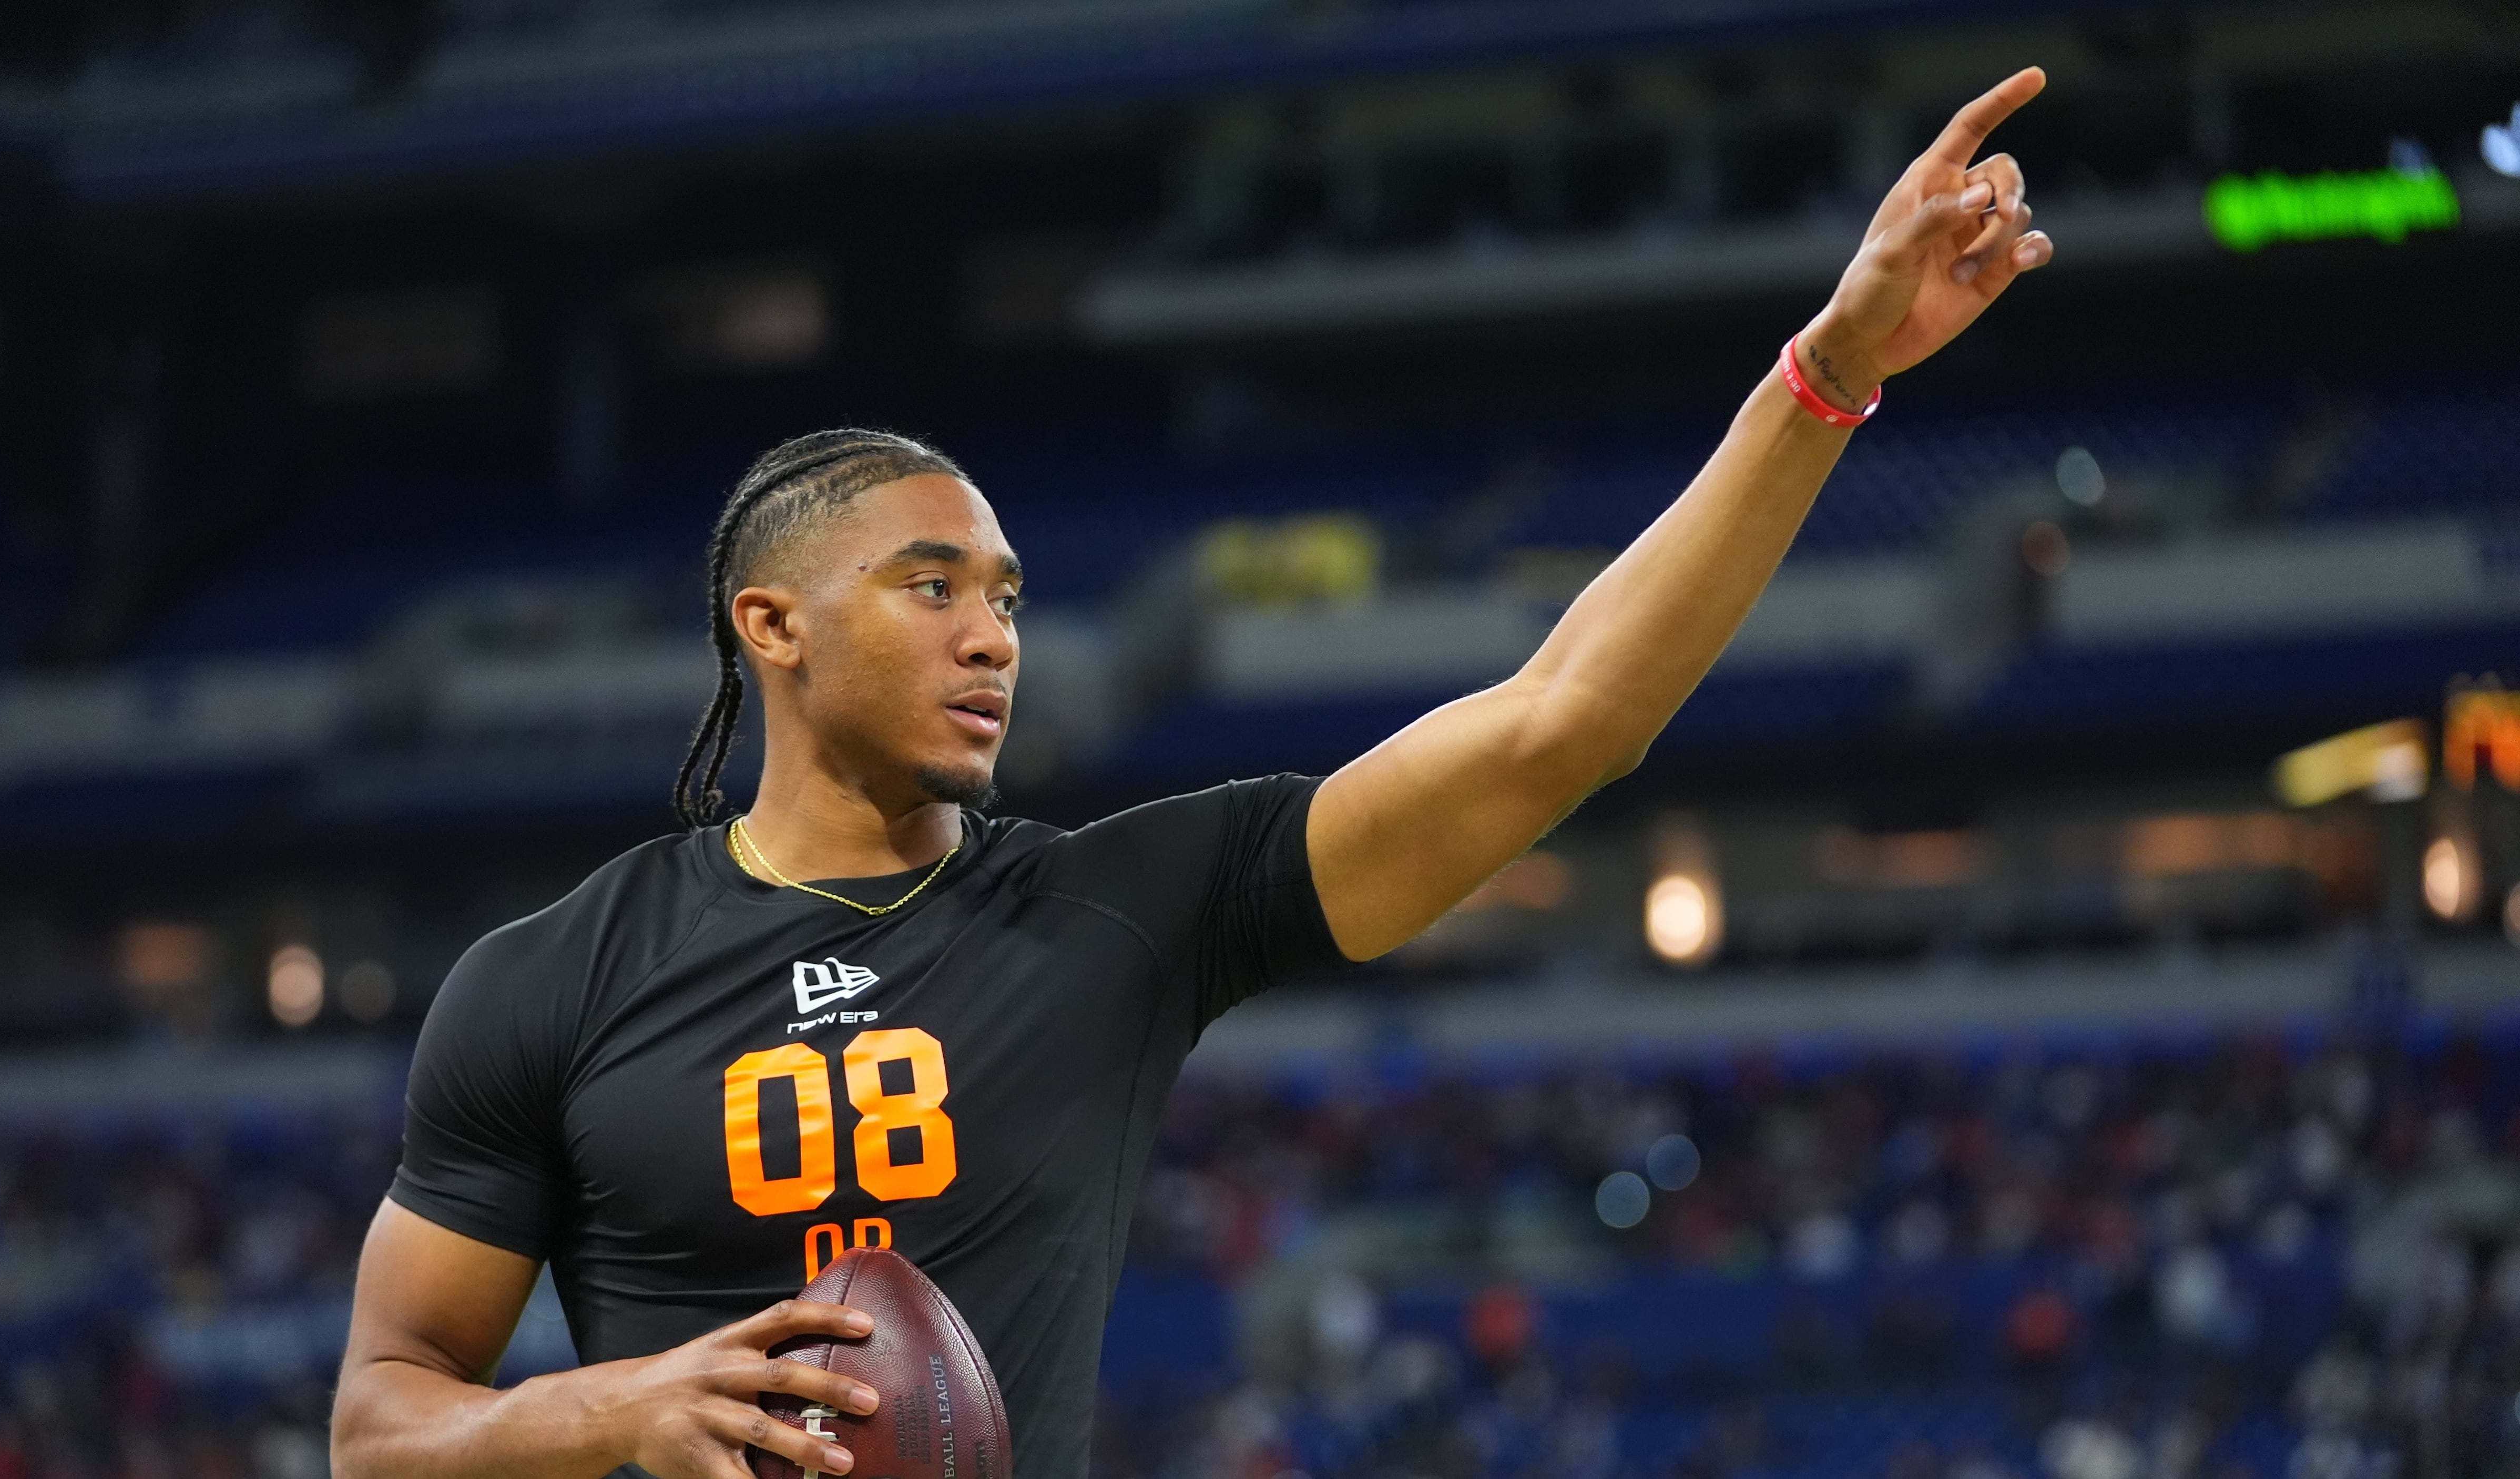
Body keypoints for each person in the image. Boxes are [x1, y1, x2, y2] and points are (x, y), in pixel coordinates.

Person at [328, 68, 2057, 1479]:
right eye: (932, 589)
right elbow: (382, 1423)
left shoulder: (1118, 909)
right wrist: (620, 1406)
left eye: (1010, 599)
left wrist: (1829, 374)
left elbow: (1564, 719)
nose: (992, 637)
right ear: (769, 625)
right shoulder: (552, 980)